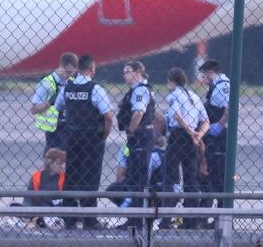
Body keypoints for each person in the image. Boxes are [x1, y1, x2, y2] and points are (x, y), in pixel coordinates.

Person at [52, 55, 114, 230]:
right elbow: (108, 116)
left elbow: (58, 108)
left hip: (72, 136)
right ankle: (89, 218)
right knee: (91, 176)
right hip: (92, 137)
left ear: (78, 68)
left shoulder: (67, 88)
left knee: (72, 174)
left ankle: (70, 217)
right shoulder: (95, 89)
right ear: (92, 69)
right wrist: (104, 135)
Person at [160, 67, 209, 229]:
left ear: (171, 81)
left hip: (178, 137)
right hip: (192, 141)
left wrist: (189, 131)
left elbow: (176, 116)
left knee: (171, 177)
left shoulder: (173, 96)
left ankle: (166, 219)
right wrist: (198, 135)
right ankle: (191, 220)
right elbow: (206, 121)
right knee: (191, 179)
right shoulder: (194, 96)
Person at [115, 61, 155, 231]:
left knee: (139, 178)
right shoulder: (137, 90)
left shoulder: (140, 90)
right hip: (139, 138)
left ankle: (138, 220)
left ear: (138, 72)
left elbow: (138, 113)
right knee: (135, 176)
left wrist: (131, 130)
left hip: (140, 137)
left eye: (128, 71)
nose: (124, 75)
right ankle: (134, 218)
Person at [198, 60, 230, 214]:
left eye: (204, 76)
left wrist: (220, 124)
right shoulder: (215, 86)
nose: (203, 80)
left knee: (218, 177)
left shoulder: (222, 86)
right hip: (214, 136)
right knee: (212, 175)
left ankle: (222, 217)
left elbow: (230, 106)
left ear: (211, 73)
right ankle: (212, 214)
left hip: (220, 136)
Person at [30, 53, 79, 152]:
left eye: (72, 73)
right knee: (54, 160)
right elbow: (34, 109)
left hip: (70, 128)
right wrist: (50, 102)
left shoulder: (72, 82)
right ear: (61, 66)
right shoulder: (47, 83)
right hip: (54, 131)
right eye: (67, 72)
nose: (68, 75)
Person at [25, 148, 67, 228]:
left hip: (57, 210)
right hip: (39, 210)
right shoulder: (36, 177)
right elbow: (28, 199)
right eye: (58, 163)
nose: (62, 166)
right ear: (51, 163)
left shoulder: (63, 177)